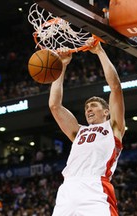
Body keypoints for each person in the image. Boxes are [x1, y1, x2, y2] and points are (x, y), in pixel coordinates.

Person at [48, 40, 125, 216]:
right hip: (68, 188)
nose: (88, 109)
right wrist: (62, 66)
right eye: (86, 108)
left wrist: (99, 52)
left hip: (95, 187)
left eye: (94, 106)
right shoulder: (78, 131)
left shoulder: (113, 127)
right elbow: (54, 105)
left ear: (106, 111)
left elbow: (115, 88)